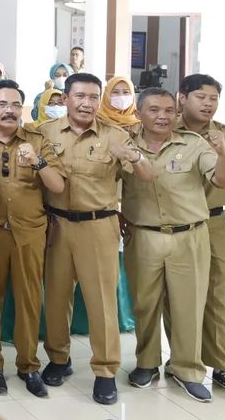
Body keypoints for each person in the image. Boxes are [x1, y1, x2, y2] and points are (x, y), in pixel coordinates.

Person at [38, 73, 153, 405]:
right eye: (79, 96)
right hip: (56, 225)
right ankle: (59, 358)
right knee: (56, 296)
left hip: (98, 225)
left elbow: (147, 175)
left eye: (93, 97)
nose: (86, 103)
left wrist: (135, 157)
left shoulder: (115, 135)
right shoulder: (45, 133)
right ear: (66, 98)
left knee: (102, 301)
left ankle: (105, 370)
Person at [122, 88, 225, 402]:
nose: (163, 116)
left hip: (190, 236)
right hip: (144, 236)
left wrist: (223, 153)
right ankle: (146, 363)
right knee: (144, 304)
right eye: (154, 110)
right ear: (139, 113)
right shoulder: (125, 145)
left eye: (169, 110)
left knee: (189, 305)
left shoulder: (195, 144)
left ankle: (187, 370)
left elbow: (222, 180)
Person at [0, 80, 65, 398]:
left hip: (29, 233)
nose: (8, 111)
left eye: (14, 105)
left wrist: (38, 162)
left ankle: (28, 365)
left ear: (21, 108)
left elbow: (57, 186)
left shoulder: (38, 141)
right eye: (1, 104)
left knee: (29, 301)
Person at [175, 74, 225, 398]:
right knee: (175, 297)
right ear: (182, 97)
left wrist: (222, 152)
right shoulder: (164, 128)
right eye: (201, 97)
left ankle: (223, 366)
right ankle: (180, 361)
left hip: (212, 223)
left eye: (214, 98)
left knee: (217, 295)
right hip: (173, 223)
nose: (208, 104)